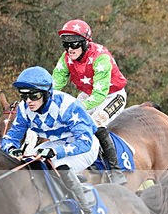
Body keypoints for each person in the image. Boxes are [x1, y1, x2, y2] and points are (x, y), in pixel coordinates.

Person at [1, 66, 101, 214]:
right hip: (56, 143)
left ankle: (86, 211)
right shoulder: (24, 109)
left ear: (46, 93)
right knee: (26, 163)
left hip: (85, 145)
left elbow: (85, 142)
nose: (28, 101)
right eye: (24, 95)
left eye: (33, 95)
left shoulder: (68, 106)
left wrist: (56, 151)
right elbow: (9, 138)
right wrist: (12, 150)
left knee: (59, 165)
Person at [53, 19, 128, 185]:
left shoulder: (101, 58)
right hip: (87, 94)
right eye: (66, 44)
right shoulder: (67, 57)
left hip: (112, 95)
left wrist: (75, 107)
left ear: (86, 43)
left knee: (95, 122)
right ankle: (79, 164)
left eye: (74, 44)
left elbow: (99, 94)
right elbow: (55, 84)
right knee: (68, 123)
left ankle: (116, 171)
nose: (69, 49)